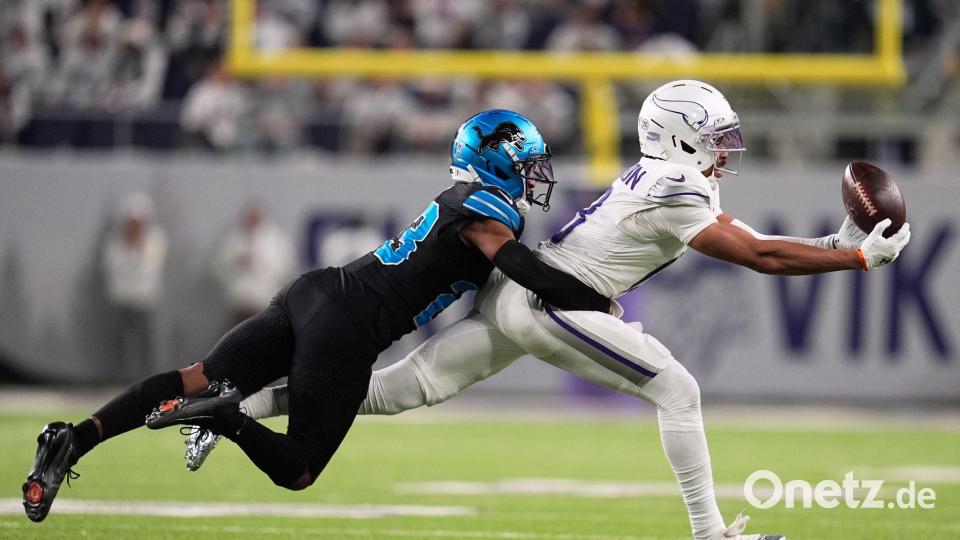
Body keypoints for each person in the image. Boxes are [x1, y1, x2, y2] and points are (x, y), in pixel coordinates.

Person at [197, 81, 911, 540]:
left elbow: (759, 243)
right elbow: (757, 257)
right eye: (717, 138)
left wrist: (838, 242)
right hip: (547, 299)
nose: (727, 150)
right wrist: (850, 259)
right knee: (678, 388)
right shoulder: (675, 182)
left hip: (522, 299)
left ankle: (233, 409)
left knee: (396, 390)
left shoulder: (674, 176)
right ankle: (710, 534)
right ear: (683, 137)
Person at [21, 109, 612, 523]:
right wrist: (598, 300)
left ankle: (72, 439)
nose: (538, 173)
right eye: (528, 161)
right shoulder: (485, 212)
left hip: (315, 292)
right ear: (496, 162)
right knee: (298, 469)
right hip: (350, 327)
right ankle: (226, 418)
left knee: (193, 377)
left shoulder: (460, 200)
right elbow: (531, 276)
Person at [102, 193, 168, 381]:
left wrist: (137, 247)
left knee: (146, 342)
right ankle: (117, 378)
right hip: (121, 299)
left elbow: (150, 268)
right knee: (119, 342)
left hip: (144, 299)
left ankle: (148, 378)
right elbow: (113, 268)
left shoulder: (155, 239)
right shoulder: (115, 241)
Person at [213, 201, 296, 327]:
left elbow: (285, 267)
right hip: (239, 303)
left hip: (264, 301)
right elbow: (219, 266)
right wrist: (237, 263)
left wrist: (260, 265)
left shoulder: (276, 238)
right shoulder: (233, 237)